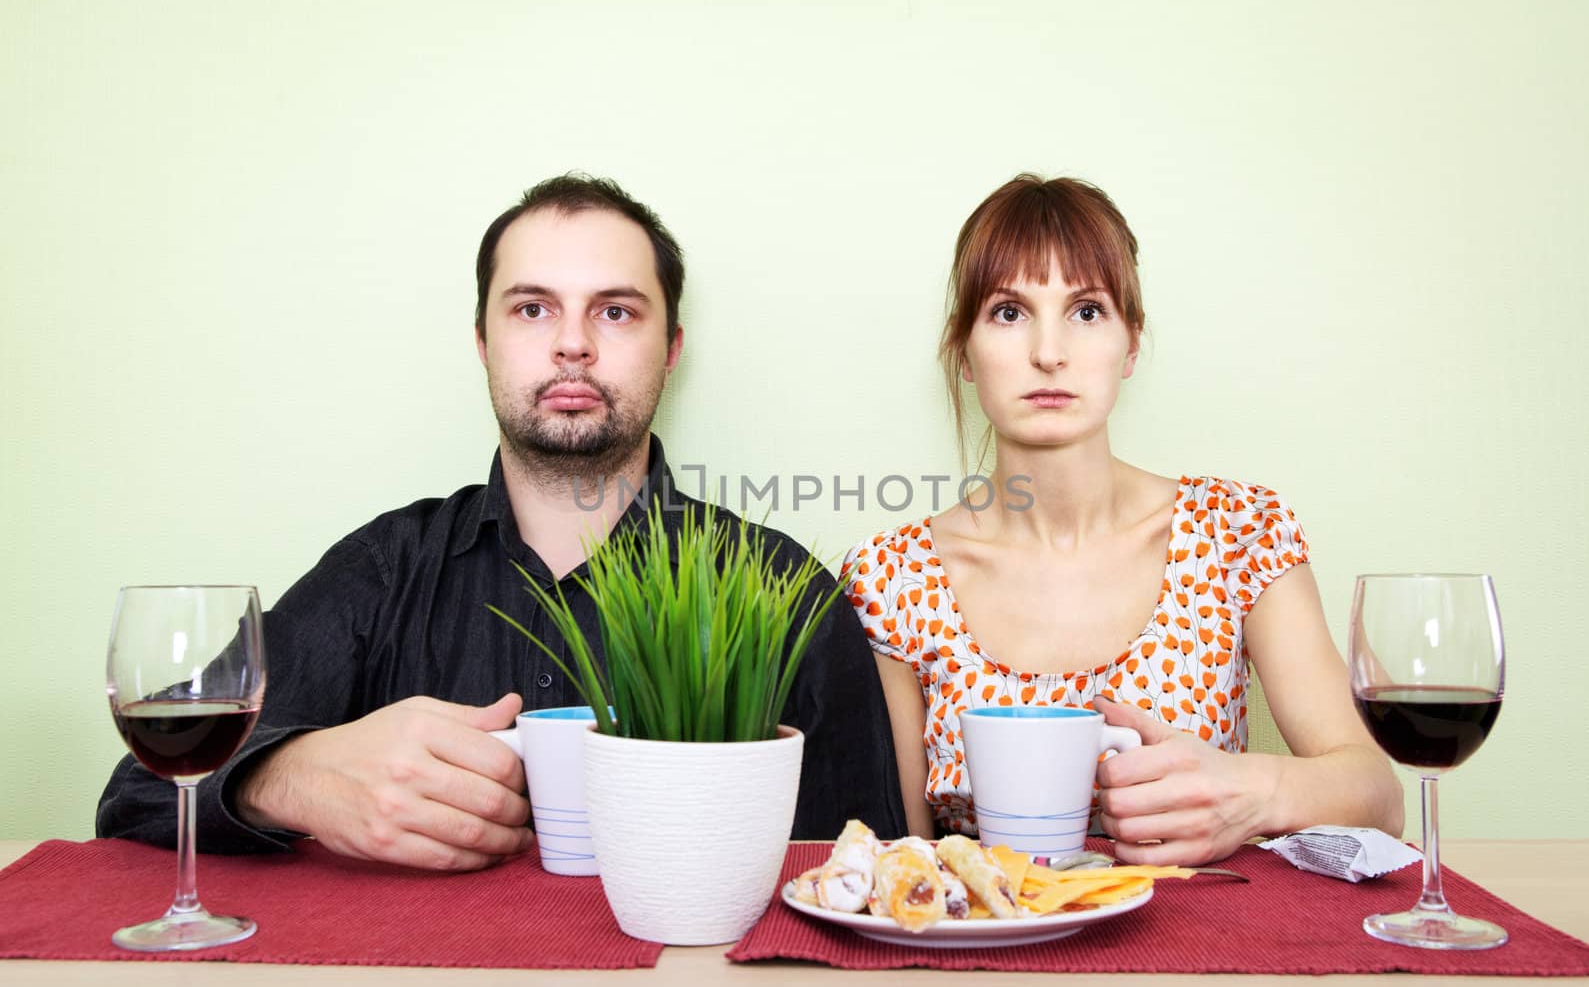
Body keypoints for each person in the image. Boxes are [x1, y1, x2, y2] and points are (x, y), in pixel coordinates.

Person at [97, 173, 906, 869]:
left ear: (671, 349)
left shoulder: (782, 589)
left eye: (616, 312)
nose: (573, 345)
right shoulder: (382, 570)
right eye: (532, 309)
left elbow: (873, 866)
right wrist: (294, 776)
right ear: (483, 341)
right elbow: (136, 790)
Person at [841, 174, 1402, 865]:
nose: (1049, 352)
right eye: (1009, 312)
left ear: (1132, 344)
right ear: (964, 351)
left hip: (1207, 954)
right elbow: (912, 863)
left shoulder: (1239, 532)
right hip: (996, 960)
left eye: (1086, 311)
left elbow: (1380, 792)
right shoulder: (893, 576)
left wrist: (1254, 788)